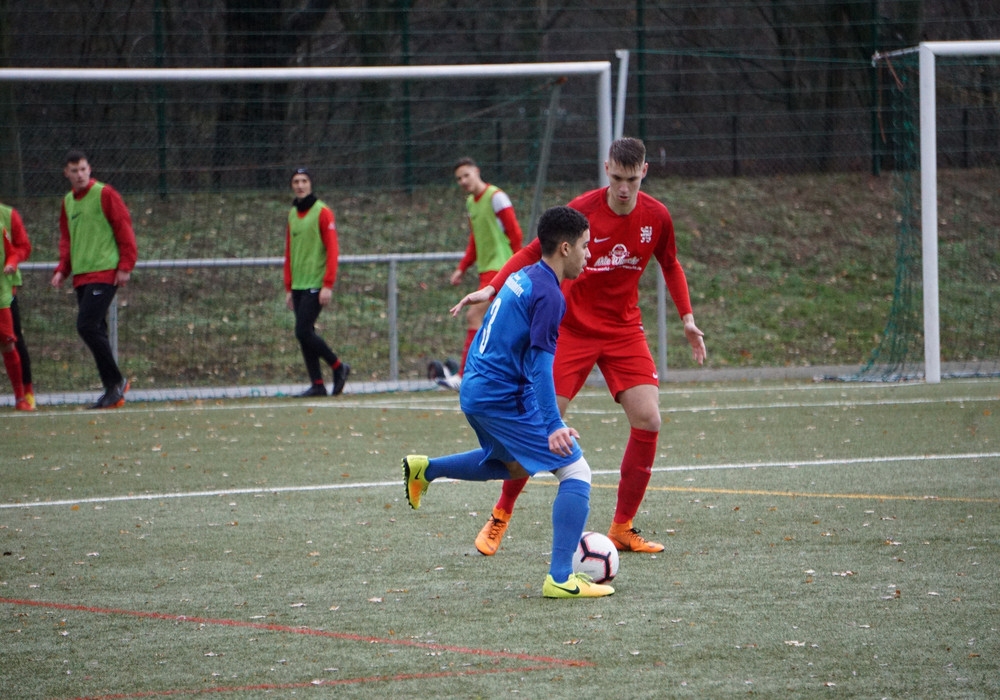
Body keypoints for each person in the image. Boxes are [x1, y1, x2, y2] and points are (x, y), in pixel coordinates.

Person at [453, 137, 707, 556]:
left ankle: (622, 528)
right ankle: (501, 514)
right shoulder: (582, 211)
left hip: (624, 329)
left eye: (632, 179)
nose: (624, 188)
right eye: (617, 178)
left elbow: (671, 263)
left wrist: (688, 319)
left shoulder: (656, 217)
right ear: (607, 169)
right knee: (541, 425)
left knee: (649, 418)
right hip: (571, 329)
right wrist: (492, 287)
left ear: (644, 171)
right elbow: (533, 251)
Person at [403, 205, 613, 599]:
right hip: (501, 396)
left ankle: (425, 470)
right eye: (585, 247)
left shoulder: (523, 277)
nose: (589, 256)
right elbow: (538, 366)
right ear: (565, 248)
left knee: (513, 467)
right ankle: (560, 578)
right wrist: (552, 425)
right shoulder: (550, 296)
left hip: (476, 389)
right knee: (576, 472)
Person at [52, 150, 137, 410]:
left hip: (104, 271)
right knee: (95, 329)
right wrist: (62, 270)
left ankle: (117, 382)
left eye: (83, 169)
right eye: (74, 171)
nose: (79, 175)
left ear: (90, 169)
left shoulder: (105, 194)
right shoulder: (68, 201)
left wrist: (125, 264)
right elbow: (68, 239)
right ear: (66, 173)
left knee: (86, 325)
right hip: (82, 276)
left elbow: (124, 227)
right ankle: (112, 389)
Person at [431, 157, 523, 391]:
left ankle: (464, 376)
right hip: (488, 270)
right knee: (502, 325)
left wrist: (519, 265)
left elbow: (514, 233)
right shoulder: (472, 203)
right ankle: (497, 374)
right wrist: (462, 267)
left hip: (501, 268)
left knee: (474, 317)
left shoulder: (496, 197)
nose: (463, 181)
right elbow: (476, 239)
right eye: (459, 178)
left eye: (466, 175)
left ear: (477, 171)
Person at [283, 167, 350, 397]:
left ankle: (338, 366)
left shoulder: (323, 212)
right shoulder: (293, 213)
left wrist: (328, 284)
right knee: (305, 333)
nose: (300, 185)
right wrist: (288, 287)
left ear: (311, 184)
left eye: (304, 181)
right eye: (296, 181)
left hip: (316, 283)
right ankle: (318, 384)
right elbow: (289, 252)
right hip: (298, 285)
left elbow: (333, 250)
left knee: (302, 331)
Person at [2, 201, 33, 412]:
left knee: (12, 341)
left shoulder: (7, 215)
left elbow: (22, 247)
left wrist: (12, 261)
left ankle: (24, 395)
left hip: (5, 289)